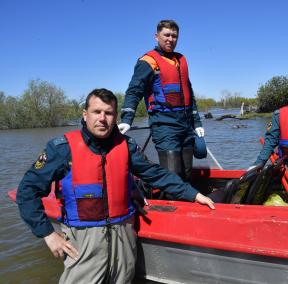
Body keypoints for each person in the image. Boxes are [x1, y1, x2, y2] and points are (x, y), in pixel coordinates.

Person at [16, 89, 214, 284]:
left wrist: (193, 194)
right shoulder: (62, 149)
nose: (102, 118)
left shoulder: (126, 145)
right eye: (96, 112)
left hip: (123, 237)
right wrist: (48, 234)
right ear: (85, 115)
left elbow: (155, 174)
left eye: (109, 113)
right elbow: (26, 192)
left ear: (115, 117)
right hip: (84, 242)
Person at [118, 19, 204, 182]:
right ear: (156, 36)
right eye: (166, 35)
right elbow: (134, 90)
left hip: (186, 125)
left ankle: (188, 205)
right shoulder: (148, 61)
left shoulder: (181, 60)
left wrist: (197, 123)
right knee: (173, 175)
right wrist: (127, 119)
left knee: (187, 173)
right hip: (164, 126)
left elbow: (189, 93)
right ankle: (170, 204)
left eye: (174, 36)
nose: (170, 39)